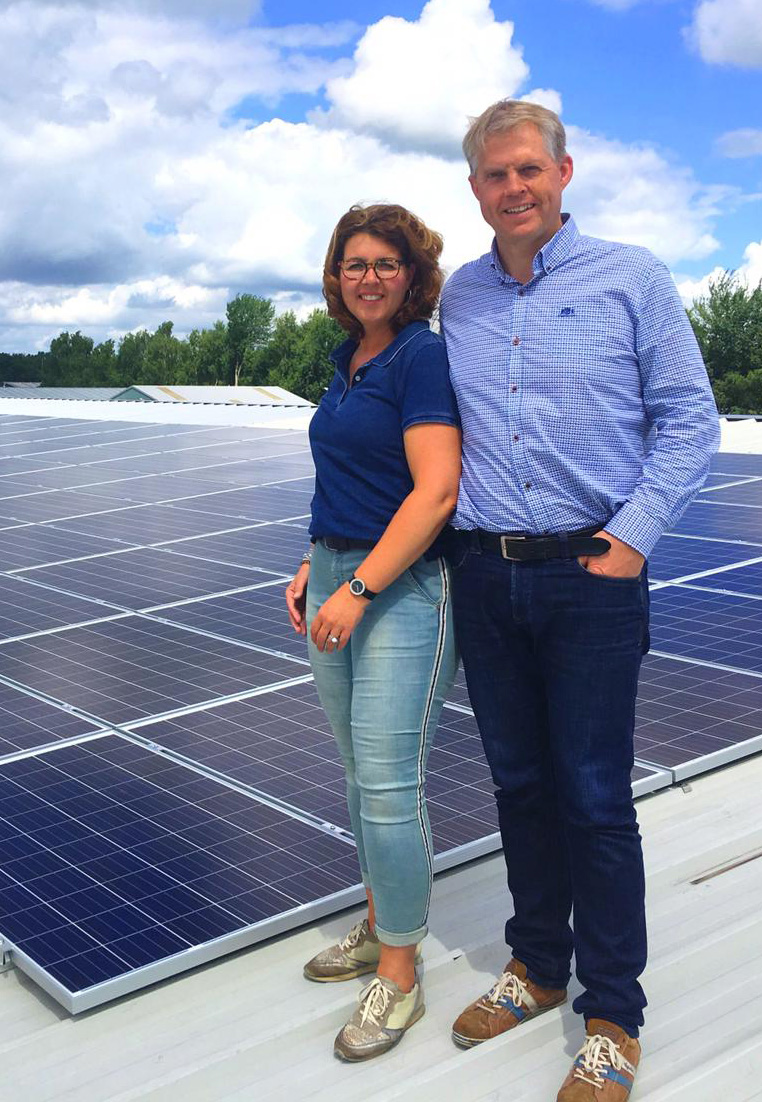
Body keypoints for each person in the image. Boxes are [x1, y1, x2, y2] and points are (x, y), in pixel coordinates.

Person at [440, 101, 719, 1100]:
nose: (512, 188)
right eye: (493, 175)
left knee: (594, 796)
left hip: (591, 575)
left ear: (564, 173)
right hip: (484, 573)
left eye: (528, 170)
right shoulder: (460, 298)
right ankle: (534, 964)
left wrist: (630, 538)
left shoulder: (632, 277)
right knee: (518, 784)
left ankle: (612, 1017)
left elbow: (690, 420)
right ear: (474, 188)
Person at [285, 203, 461, 1063]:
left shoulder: (420, 357)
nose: (369, 278)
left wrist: (354, 585)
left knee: (390, 784)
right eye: (354, 264)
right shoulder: (347, 358)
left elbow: (433, 493)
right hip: (336, 573)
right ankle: (377, 919)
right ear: (337, 275)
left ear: (414, 273)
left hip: (398, 593)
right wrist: (314, 563)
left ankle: (400, 970)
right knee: (357, 777)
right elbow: (351, 474)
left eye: (386, 264)